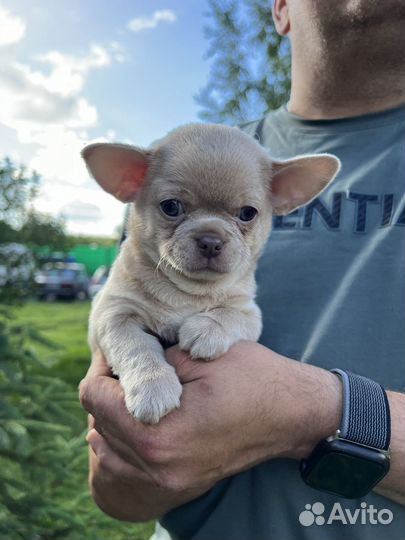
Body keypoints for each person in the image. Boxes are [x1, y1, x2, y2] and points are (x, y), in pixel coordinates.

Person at [79, 0, 405, 538]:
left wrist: (312, 412)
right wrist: (130, 463)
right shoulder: (196, 152)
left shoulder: (248, 170)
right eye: (174, 208)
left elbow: (241, 317)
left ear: (284, 196)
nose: (210, 239)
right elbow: (113, 484)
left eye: (245, 215)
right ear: (279, 9)